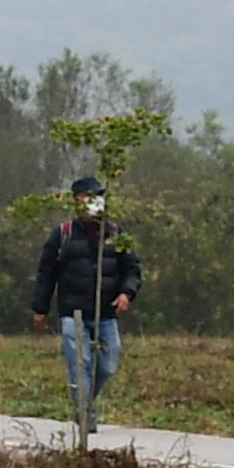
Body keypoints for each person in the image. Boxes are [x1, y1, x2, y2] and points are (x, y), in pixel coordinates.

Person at [29, 174, 142, 434]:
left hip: (106, 313)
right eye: (89, 197)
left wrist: (127, 293)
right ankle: (85, 412)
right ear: (77, 201)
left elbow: (132, 268)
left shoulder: (116, 233)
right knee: (80, 364)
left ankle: (85, 401)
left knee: (108, 363)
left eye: (98, 196)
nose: (95, 202)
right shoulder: (63, 234)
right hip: (74, 313)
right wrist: (40, 308)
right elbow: (46, 272)